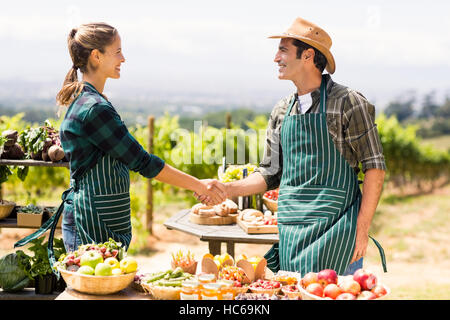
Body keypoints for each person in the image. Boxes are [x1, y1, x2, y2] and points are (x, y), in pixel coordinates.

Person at [15, 23, 226, 266]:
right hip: (94, 222)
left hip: (99, 218)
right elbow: (143, 162)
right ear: (96, 56)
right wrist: (199, 184)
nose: (123, 58)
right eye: (117, 51)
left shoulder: (90, 101)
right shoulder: (94, 109)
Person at [200, 17, 387, 276]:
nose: (276, 58)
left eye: (283, 50)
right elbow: (270, 174)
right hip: (292, 230)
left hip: (336, 230)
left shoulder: (348, 103)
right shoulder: (281, 110)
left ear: (308, 55)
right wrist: (227, 188)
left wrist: (362, 228)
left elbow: (375, 168)